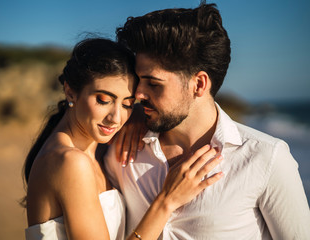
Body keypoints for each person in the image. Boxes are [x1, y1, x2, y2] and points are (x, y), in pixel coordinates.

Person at [104, 3, 310, 239]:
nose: (138, 94)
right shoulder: (122, 151)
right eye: (138, 81)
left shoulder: (266, 158)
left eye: (153, 83)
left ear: (199, 84)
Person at [22, 38, 224, 240]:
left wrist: (138, 114)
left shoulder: (94, 150)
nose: (115, 118)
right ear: (70, 92)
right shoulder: (71, 162)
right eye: (103, 100)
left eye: (127, 104)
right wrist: (166, 202)